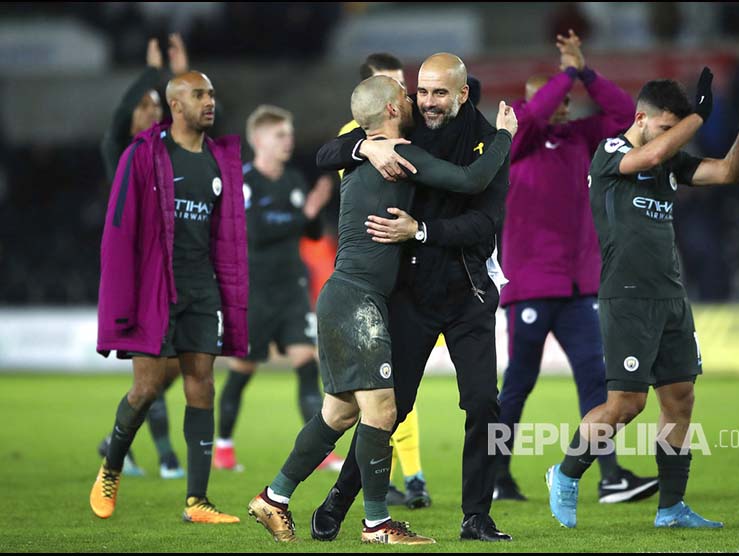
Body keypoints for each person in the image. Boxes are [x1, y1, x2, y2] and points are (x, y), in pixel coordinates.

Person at [246, 75, 517, 544]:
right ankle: (376, 523)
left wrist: (365, 147)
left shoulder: (371, 150)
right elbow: (471, 179)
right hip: (359, 300)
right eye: (410, 97)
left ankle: (274, 498)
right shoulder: (397, 152)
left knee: (339, 413)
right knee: (382, 409)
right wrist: (507, 136)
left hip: (349, 295)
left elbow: (335, 151)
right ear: (392, 110)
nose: (416, 101)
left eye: (430, 93)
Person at [545, 67, 739, 528]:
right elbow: (648, 158)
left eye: (679, 128)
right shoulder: (612, 151)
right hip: (626, 296)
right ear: (641, 118)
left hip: (670, 294)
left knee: (680, 398)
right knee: (627, 405)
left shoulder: (668, 159)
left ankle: (670, 508)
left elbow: (729, 172)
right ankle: (565, 475)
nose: (676, 138)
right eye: (668, 128)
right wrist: (700, 120)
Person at [496, 29, 657, 503]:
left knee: (597, 380)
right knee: (518, 384)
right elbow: (532, 114)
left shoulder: (584, 139)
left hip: (579, 286)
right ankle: (496, 475)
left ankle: (609, 476)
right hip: (529, 286)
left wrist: (584, 71)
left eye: (568, 97)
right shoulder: (517, 141)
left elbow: (625, 115)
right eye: (553, 98)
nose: (560, 104)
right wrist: (564, 74)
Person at [91, 71, 248, 524]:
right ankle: (112, 467)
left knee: (202, 384)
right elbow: (119, 232)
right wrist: (121, 301)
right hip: (155, 289)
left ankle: (196, 500)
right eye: (199, 94)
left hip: (203, 288)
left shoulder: (220, 161)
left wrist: (230, 292)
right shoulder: (144, 155)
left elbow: (227, 236)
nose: (210, 101)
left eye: (212, 94)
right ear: (175, 105)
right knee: (145, 389)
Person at [213, 105, 338, 472]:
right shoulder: (245, 183)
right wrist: (304, 215)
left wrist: (312, 216)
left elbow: (311, 234)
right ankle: (224, 446)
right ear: (258, 140)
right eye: (280, 135)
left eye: (289, 134)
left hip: (291, 289)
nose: (289, 141)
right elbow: (258, 231)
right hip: (254, 293)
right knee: (243, 368)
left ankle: (320, 451)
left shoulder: (294, 181)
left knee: (305, 362)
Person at [334, 52, 432, 509]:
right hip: (368, 279)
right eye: (391, 85)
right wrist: (366, 146)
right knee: (370, 400)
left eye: (402, 84)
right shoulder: (358, 139)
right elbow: (328, 153)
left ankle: (406, 477)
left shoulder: (412, 132)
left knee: (391, 393)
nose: (404, 94)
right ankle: (379, 496)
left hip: (401, 277)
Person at [97, 34, 190, 480]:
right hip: (141, 280)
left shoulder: (171, 154)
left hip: (177, 278)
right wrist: (153, 73)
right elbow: (118, 120)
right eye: (146, 107)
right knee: (150, 380)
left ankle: (116, 441)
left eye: (159, 106)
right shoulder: (123, 154)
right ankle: (165, 455)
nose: (155, 112)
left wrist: (180, 75)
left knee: (167, 374)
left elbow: (195, 118)